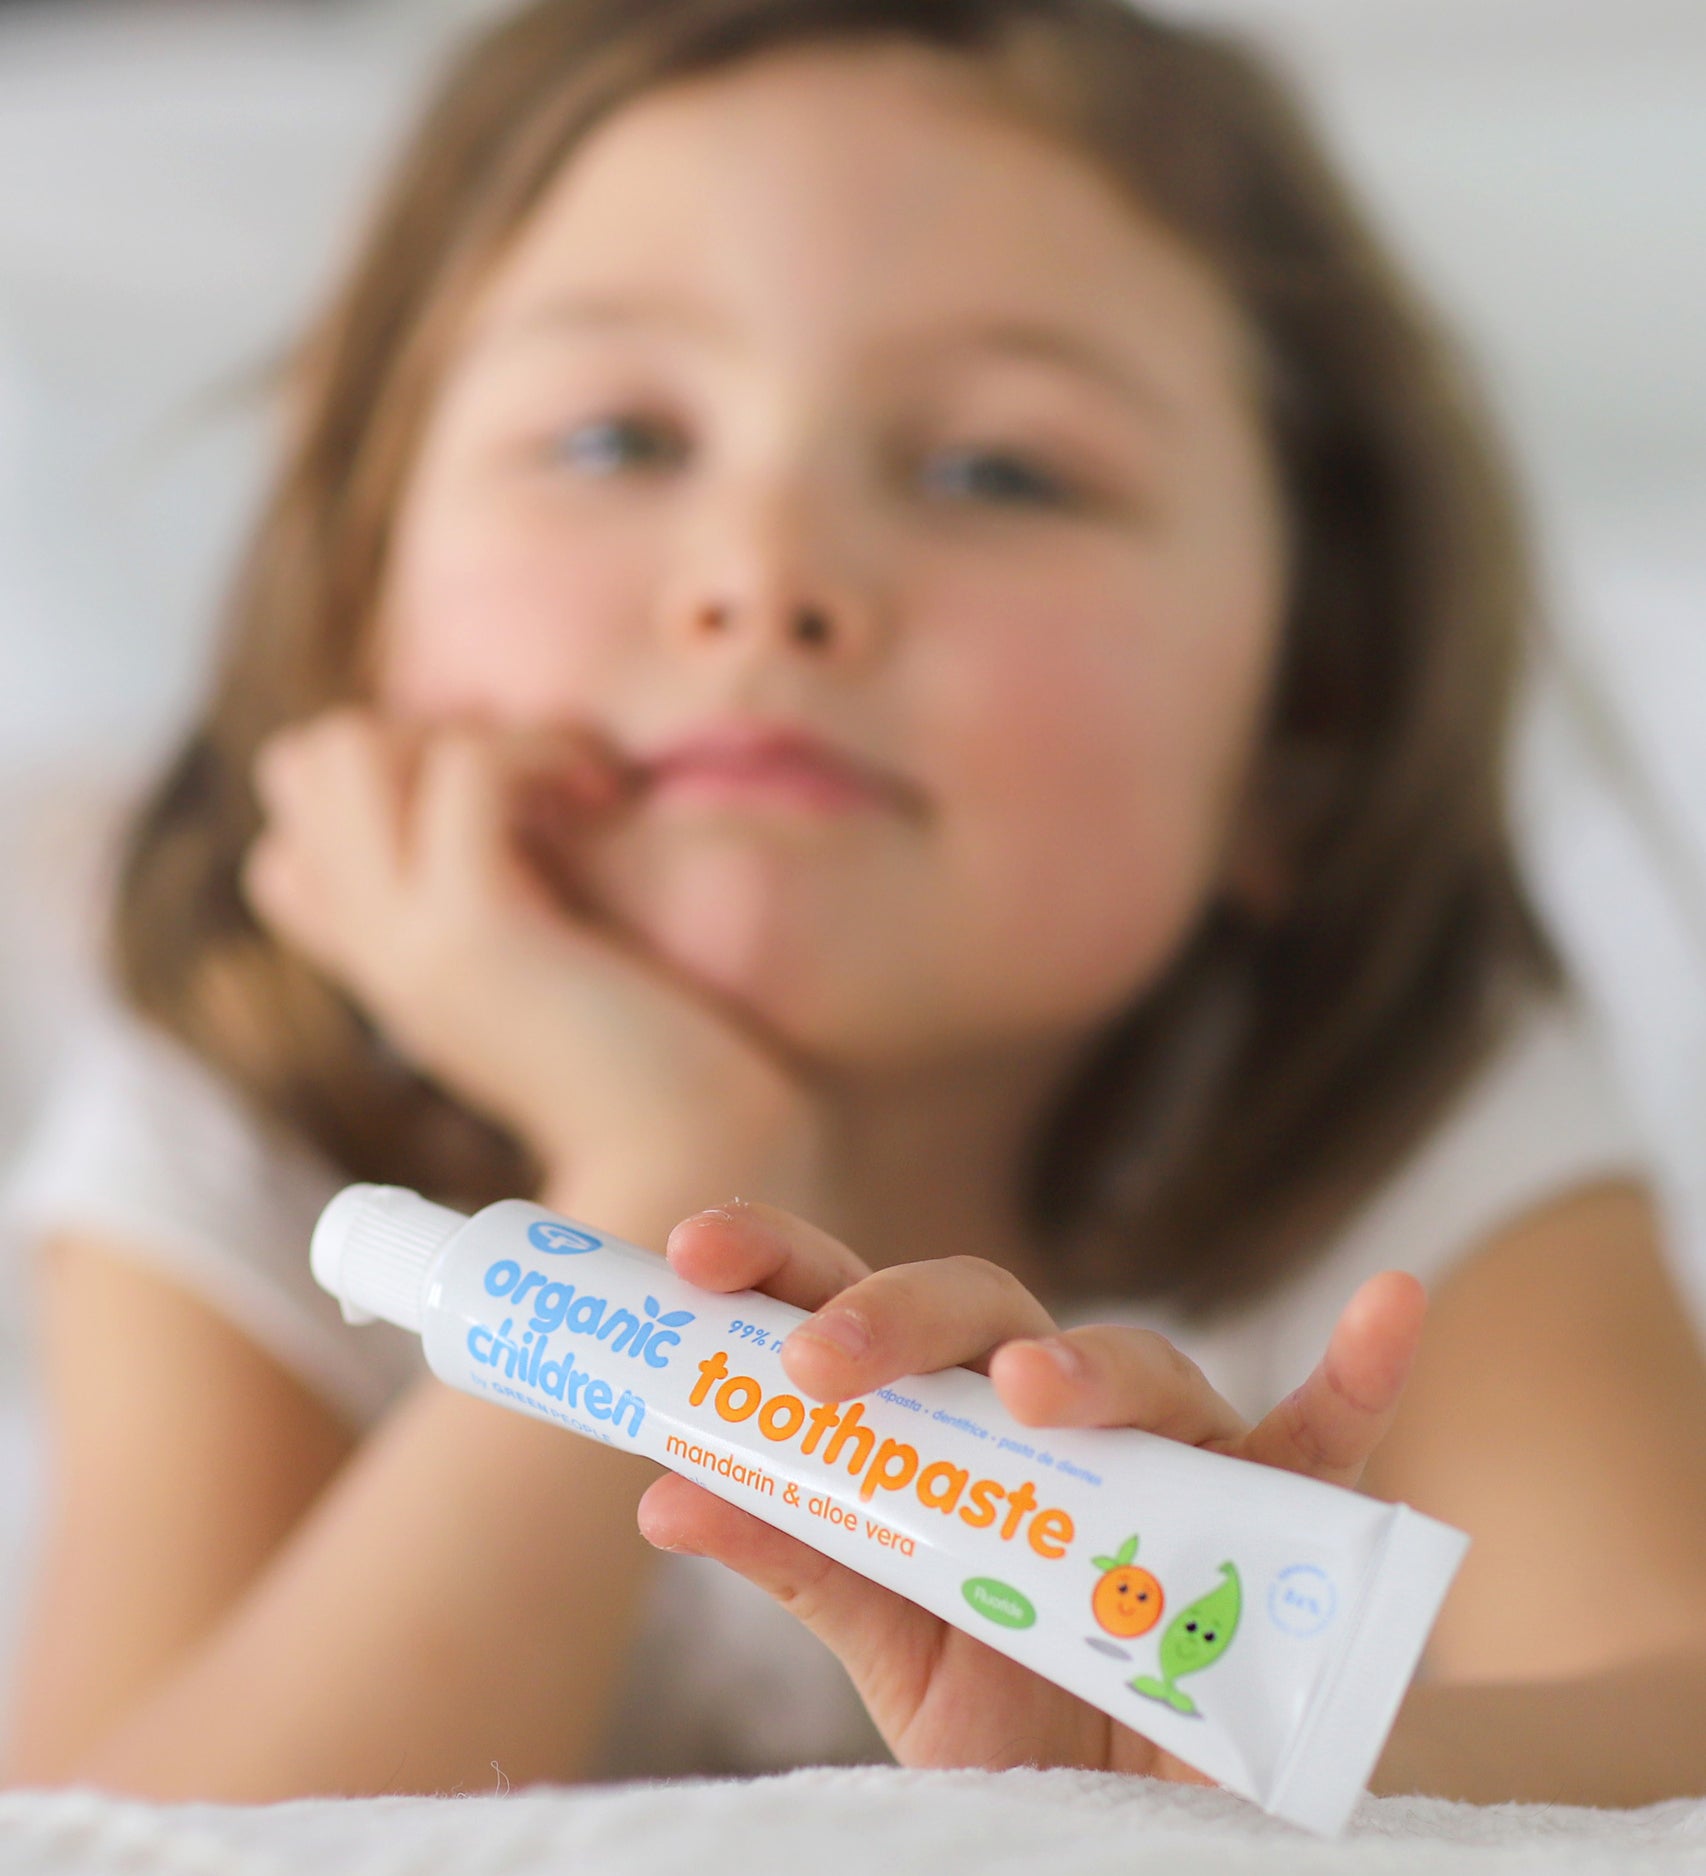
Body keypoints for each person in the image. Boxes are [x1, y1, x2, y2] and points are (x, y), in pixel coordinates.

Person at [5, 0, 1706, 1808]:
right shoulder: (253, 1122)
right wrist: (663, 1171)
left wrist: (1243, 1780)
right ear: (358, 614)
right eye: (612, 442)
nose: (766, 573)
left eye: (998, 470)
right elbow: (130, 1841)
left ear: (1297, 739)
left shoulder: (1404, 1126)